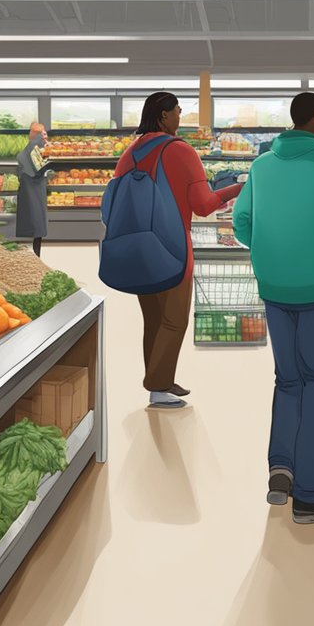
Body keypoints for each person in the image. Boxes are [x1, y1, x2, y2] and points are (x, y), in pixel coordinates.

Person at [234, 92, 314, 524]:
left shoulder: (262, 164)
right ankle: (309, 496)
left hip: (274, 289)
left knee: (287, 380)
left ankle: (280, 470)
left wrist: (269, 254)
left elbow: (242, 222)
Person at [114, 92, 242, 409]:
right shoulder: (180, 151)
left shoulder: (130, 152)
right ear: (163, 115)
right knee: (174, 320)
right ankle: (159, 386)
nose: (179, 117)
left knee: (154, 321)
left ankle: (156, 382)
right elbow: (202, 205)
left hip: (136, 246)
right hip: (171, 246)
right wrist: (239, 187)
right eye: (177, 112)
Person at [14, 122, 50, 255]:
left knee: (34, 224)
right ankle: (34, 255)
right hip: (33, 190)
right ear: (38, 135)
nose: (46, 136)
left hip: (31, 188)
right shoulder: (35, 148)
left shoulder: (31, 148)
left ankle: (33, 253)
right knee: (36, 224)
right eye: (44, 133)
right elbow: (38, 168)